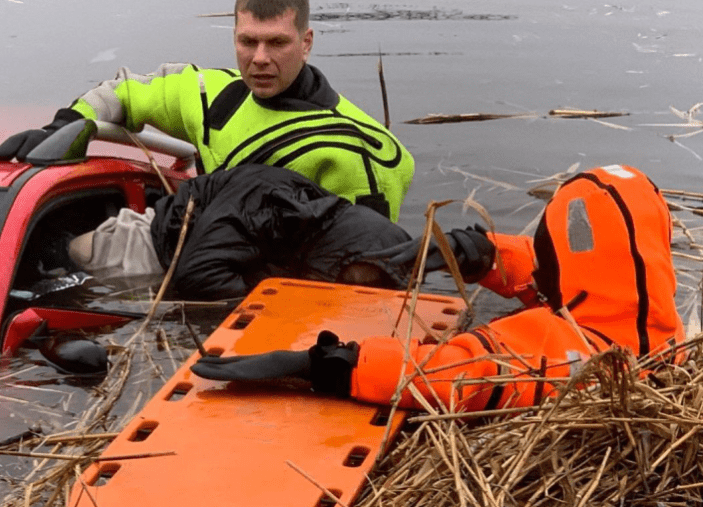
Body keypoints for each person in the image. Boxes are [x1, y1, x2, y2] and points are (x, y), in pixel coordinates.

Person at [190, 164, 686, 412]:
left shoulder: (563, 355)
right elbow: (580, 276)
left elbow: (454, 374)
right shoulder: (659, 329)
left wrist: (327, 364)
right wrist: (481, 253)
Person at [0, 0, 415, 222]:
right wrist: (67, 125)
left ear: (306, 43)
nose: (260, 58)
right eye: (248, 41)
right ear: (234, 37)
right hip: (209, 251)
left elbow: (365, 266)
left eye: (277, 43)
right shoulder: (210, 95)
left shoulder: (359, 151)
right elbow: (123, 92)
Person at [67, 164, 493, 301]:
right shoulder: (263, 208)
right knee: (78, 255)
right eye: (352, 283)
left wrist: (465, 253)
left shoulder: (362, 240)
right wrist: (281, 299)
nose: (355, 293)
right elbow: (196, 276)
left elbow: (402, 262)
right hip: (149, 249)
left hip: (219, 245)